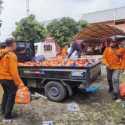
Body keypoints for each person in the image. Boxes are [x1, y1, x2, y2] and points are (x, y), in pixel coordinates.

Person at [0, 38, 25, 121]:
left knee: (6, 94)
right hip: (9, 79)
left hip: (1, 78)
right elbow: (14, 72)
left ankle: (3, 110)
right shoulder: (11, 55)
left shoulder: (1, 52)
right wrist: (19, 83)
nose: (16, 45)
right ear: (13, 44)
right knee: (11, 96)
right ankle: (7, 115)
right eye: (15, 44)